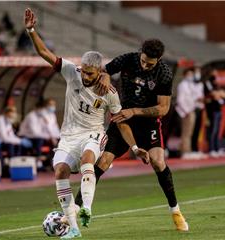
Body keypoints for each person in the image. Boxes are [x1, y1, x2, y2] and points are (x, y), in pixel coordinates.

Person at [25, 8, 149, 239]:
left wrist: (134, 148)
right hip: (69, 135)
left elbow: (120, 122)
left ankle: (87, 209)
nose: (87, 77)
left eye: (92, 74)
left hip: (93, 133)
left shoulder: (109, 92)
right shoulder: (72, 72)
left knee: (87, 160)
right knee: (60, 170)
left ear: (100, 71)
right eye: (85, 72)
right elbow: (44, 52)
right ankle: (73, 228)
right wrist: (31, 30)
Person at [74, 39, 189, 231]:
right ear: (140, 53)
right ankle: (76, 208)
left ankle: (175, 211)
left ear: (159, 60)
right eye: (143, 60)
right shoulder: (127, 60)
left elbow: (163, 108)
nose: (145, 65)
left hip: (148, 123)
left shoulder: (164, 73)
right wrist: (106, 76)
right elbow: (104, 71)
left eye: (150, 64)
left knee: (158, 162)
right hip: (122, 119)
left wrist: (135, 111)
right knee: (102, 162)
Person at [204, 70, 225, 157]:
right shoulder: (208, 83)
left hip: (218, 109)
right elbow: (214, 95)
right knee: (212, 130)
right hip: (212, 110)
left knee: (217, 130)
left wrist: (219, 94)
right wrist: (218, 94)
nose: (215, 75)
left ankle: (217, 148)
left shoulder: (217, 84)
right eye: (214, 74)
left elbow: (224, 94)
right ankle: (211, 149)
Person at [176, 68, 196, 159]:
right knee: (185, 132)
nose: (191, 76)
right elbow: (180, 100)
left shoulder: (190, 85)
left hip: (191, 110)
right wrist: (186, 111)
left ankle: (188, 150)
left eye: (192, 74)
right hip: (186, 112)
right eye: (189, 74)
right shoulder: (182, 85)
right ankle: (184, 151)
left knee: (189, 133)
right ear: (184, 75)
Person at [191, 67, 206, 157]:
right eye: (196, 72)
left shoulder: (200, 84)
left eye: (199, 72)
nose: (198, 74)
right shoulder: (190, 84)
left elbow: (202, 95)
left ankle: (196, 148)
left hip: (200, 108)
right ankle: (192, 148)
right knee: (193, 129)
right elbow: (191, 96)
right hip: (193, 108)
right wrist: (197, 99)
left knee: (198, 129)